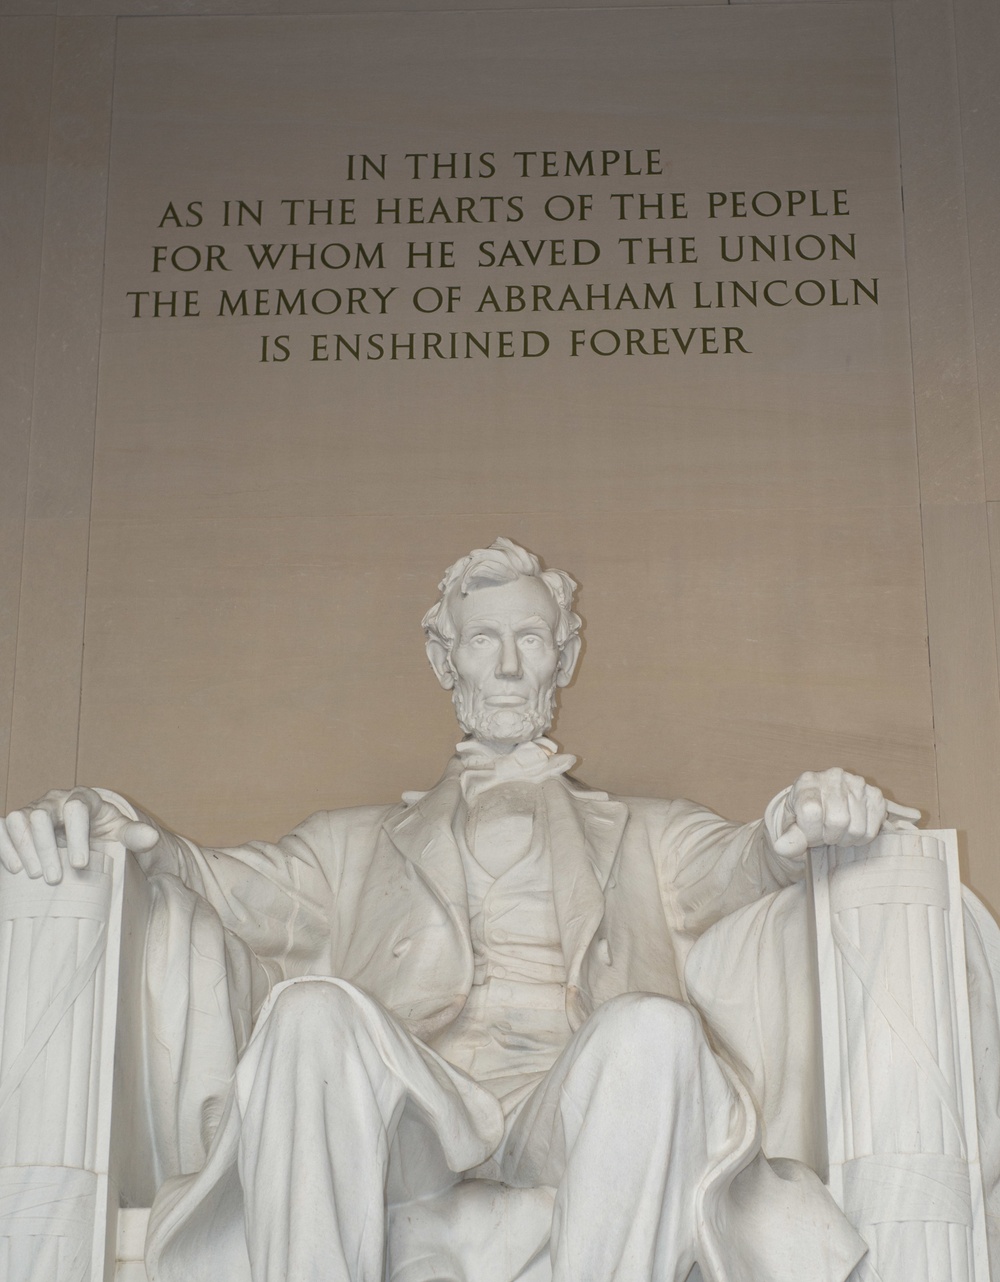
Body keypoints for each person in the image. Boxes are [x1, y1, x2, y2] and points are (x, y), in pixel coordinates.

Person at [1, 538, 893, 1282]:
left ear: (565, 657)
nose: (508, 665)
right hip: (420, 1117)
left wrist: (799, 818)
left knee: (657, 1030)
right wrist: (121, 826)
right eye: (483, 641)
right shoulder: (353, 844)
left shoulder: (648, 834)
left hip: (571, 1103)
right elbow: (216, 881)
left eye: (533, 640)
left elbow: (743, 863)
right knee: (309, 1010)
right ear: (443, 658)